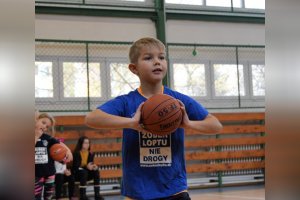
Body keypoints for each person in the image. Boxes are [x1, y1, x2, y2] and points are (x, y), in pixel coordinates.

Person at [85, 37, 223, 200]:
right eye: (148, 58)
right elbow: (92, 118)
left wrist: (188, 124)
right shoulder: (127, 101)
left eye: (161, 57)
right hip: (138, 191)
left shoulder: (177, 101)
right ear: (133, 68)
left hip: (174, 189)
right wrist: (131, 123)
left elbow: (215, 125)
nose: (157, 62)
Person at [35, 112, 73, 200]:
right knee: (36, 196)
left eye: (47, 126)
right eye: (43, 122)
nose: (44, 127)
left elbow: (60, 143)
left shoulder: (47, 138)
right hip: (36, 174)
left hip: (50, 173)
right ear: (36, 120)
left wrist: (68, 151)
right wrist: (36, 136)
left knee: (48, 196)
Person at [72, 136, 104, 200]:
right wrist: (86, 167)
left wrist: (94, 166)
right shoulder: (76, 153)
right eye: (85, 143)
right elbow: (76, 167)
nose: (87, 144)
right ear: (81, 144)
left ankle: (97, 195)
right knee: (84, 172)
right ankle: (83, 196)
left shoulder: (90, 153)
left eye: (88, 143)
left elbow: (90, 164)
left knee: (96, 171)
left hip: (86, 173)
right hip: (77, 174)